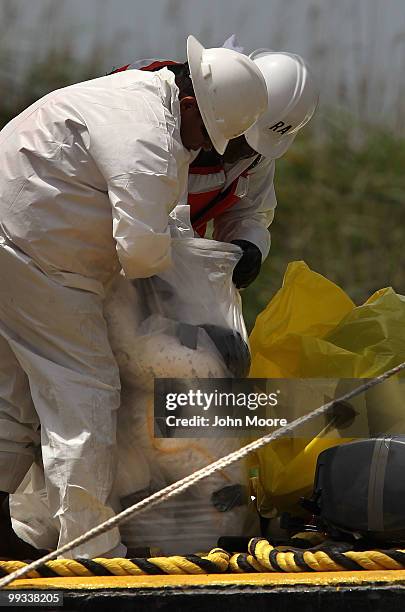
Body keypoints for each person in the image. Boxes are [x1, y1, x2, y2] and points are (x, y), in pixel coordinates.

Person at [0, 35, 267, 560]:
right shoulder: (146, 134)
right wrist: (193, 320)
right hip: (38, 258)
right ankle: (90, 549)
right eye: (209, 137)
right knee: (86, 392)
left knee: (12, 390)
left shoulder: (137, 96)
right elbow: (143, 253)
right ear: (192, 105)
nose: (209, 152)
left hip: (23, 243)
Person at [111, 42, 319, 289]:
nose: (247, 153)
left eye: (256, 146)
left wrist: (247, 245)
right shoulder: (156, 107)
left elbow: (250, 212)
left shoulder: (256, 152)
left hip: (175, 275)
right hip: (107, 248)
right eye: (244, 139)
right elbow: (149, 216)